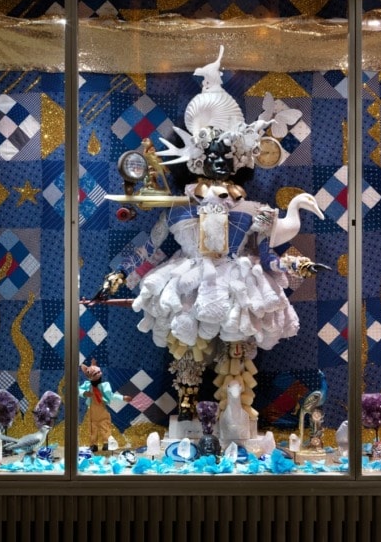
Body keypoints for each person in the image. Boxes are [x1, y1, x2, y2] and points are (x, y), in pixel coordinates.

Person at [89, 46, 327, 424]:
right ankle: (186, 406)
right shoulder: (179, 206)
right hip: (187, 279)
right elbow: (151, 246)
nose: (218, 161)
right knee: (185, 346)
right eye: (209, 152)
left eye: (225, 153)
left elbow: (265, 255)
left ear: (238, 159)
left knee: (237, 348)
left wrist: (295, 263)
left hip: (236, 281)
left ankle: (236, 409)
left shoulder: (251, 211)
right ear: (195, 157)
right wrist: (121, 275)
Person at [78, 359, 131, 452]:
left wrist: (122, 397)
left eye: (99, 372)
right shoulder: (87, 385)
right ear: (89, 377)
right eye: (95, 374)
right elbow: (77, 390)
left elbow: (111, 395)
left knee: (105, 426)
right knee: (92, 428)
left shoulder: (105, 386)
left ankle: (106, 443)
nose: (98, 374)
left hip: (102, 410)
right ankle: (93, 444)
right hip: (91, 411)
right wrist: (84, 393)